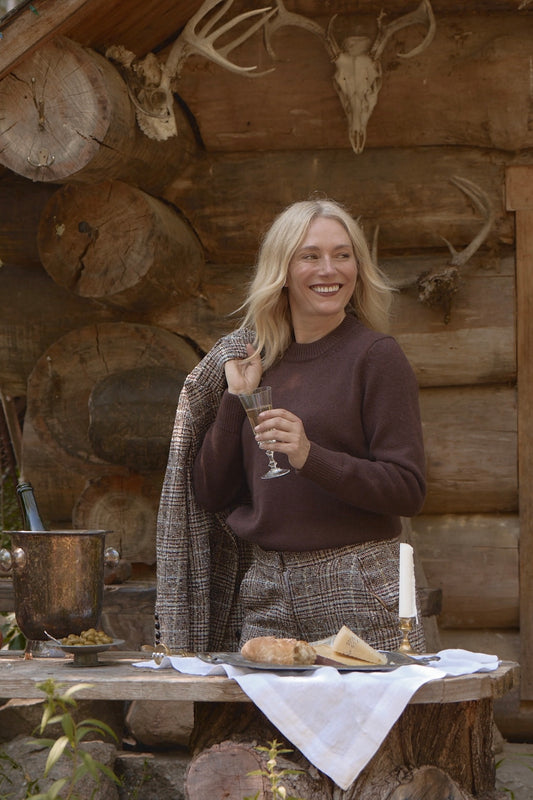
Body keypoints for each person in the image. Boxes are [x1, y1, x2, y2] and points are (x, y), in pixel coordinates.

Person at [156, 198, 426, 654]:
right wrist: (236, 398)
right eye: (310, 256)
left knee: (373, 727)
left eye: (343, 255)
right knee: (258, 729)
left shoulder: (375, 356)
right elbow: (209, 494)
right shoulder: (255, 360)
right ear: (282, 269)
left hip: (356, 586)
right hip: (266, 590)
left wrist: (308, 456)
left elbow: (407, 489)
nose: (330, 270)